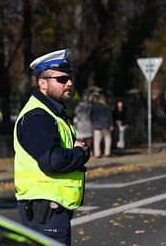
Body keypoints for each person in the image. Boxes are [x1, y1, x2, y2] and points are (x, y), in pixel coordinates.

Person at [13, 49, 90, 245]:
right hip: (45, 213)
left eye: (70, 78)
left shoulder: (52, 113)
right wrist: (80, 153)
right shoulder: (38, 116)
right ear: (43, 84)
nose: (70, 83)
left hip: (51, 210)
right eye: (62, 79)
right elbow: (51, 160)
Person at [91, 93, 113, 158]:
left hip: (96, 125)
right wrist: (111, 124)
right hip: (106, 125)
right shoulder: (107, 106)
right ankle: (107, 153)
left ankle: (97, 154)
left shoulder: (94, 106)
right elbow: (109, 116)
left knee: (97, 140)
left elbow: (91, 115)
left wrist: (93, 122)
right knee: (107, 139)